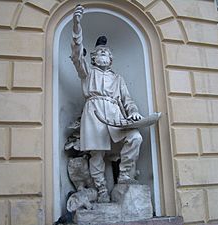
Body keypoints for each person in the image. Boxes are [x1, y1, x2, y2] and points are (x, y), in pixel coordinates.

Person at [71, 5, 143, 203]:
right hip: (94, 112)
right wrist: (77, 26)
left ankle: (125, 176)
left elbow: (127, 100)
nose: (103, 55)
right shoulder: (88, 73)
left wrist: (134, 113)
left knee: (135, 137)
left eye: (106, 53)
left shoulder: (118, 78)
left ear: (110, 59)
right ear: (94, 58)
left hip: (115, 115)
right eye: (99, 53)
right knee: (97, 153)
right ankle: (101, 189)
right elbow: (77, 56)